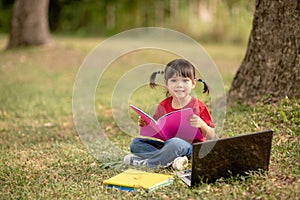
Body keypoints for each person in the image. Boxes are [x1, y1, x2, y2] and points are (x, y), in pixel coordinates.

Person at [123, 58, 215, 170]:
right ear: (166, 84)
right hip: (167, 146)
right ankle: (172, 161)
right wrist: (145, 124)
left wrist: (201, 124)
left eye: (185, 81)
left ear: (193, 84)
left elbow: (212, 136)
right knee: (136, 144)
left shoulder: (198, 106)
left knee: (175, 143)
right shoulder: (163, 105)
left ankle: (149, 163)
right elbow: (157, 128)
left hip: (190, 148)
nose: (179, 85)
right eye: (174, 80)